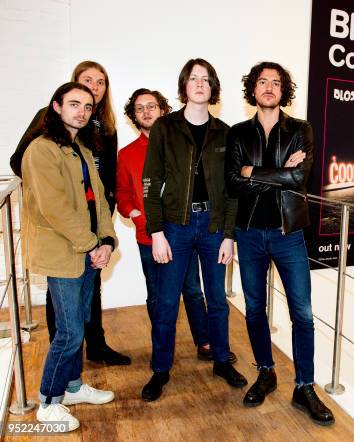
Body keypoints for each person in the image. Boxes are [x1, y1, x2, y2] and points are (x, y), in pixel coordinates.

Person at [225, 61, 334, 426]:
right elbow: (231, 183)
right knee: (255, 309)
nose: (269, 87)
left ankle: (304, 386)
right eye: (262, 82)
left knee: (302, 313)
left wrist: (252, 172)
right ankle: (266, 372)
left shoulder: (301, 129)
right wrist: (279, 173)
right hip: (250, 234)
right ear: (252, 89)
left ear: (283, 90)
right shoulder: (238, 133)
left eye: (276, 82)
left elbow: (300, 178)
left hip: (290, 234)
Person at [10, 61, 130, 366]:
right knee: (63, 302)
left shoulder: (104, 127)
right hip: (65, 228)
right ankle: (62, 358)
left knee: (91, 292)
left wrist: (104, 235)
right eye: (87, 81)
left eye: (100, 82)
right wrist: (47, 189)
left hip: (94, 222)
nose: (94, 86)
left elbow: (106, 178)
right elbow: (22, 162)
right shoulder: (48, 128)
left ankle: (94, 349)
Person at [141, 59, 245, 401]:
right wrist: (156, 232)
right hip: (175, 227)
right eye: (194, 78)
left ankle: (221, 359)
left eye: (206, 79)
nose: (200, 83)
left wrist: (229, 235)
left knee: (217, 300)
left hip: (214, 228)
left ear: (213, 88)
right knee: (167, 302)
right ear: (184, 86)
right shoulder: (165, 128)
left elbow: (233, 190)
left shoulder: (225, 132)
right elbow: (150, 181)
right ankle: (160, 370)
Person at [117, 89, 238, 363]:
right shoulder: (127, 154)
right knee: (161, 298)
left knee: (198, 291)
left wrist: (227, 232)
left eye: (152, 106)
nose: (146, 112)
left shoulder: (186, 140)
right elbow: (127, 192)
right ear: (133, 116)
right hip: (157, 233)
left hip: (194, 227)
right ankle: (161, 364)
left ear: (163, 109)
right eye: (139, 108)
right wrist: (142, 220)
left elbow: (221, 185)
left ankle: (208, 344)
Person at [22, 82, 117, 431]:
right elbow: (56, 209)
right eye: (74, 104)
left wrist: (107, 240)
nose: (82, 111)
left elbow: (100, 199)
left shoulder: (79, 149)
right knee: (69, 331)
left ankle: (73, 387)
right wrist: (92, 244)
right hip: (65, 254)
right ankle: (48, 402)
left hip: (88, 252)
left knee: (80, 325)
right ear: (57, 106)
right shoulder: (41, 150)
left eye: (88, 107)